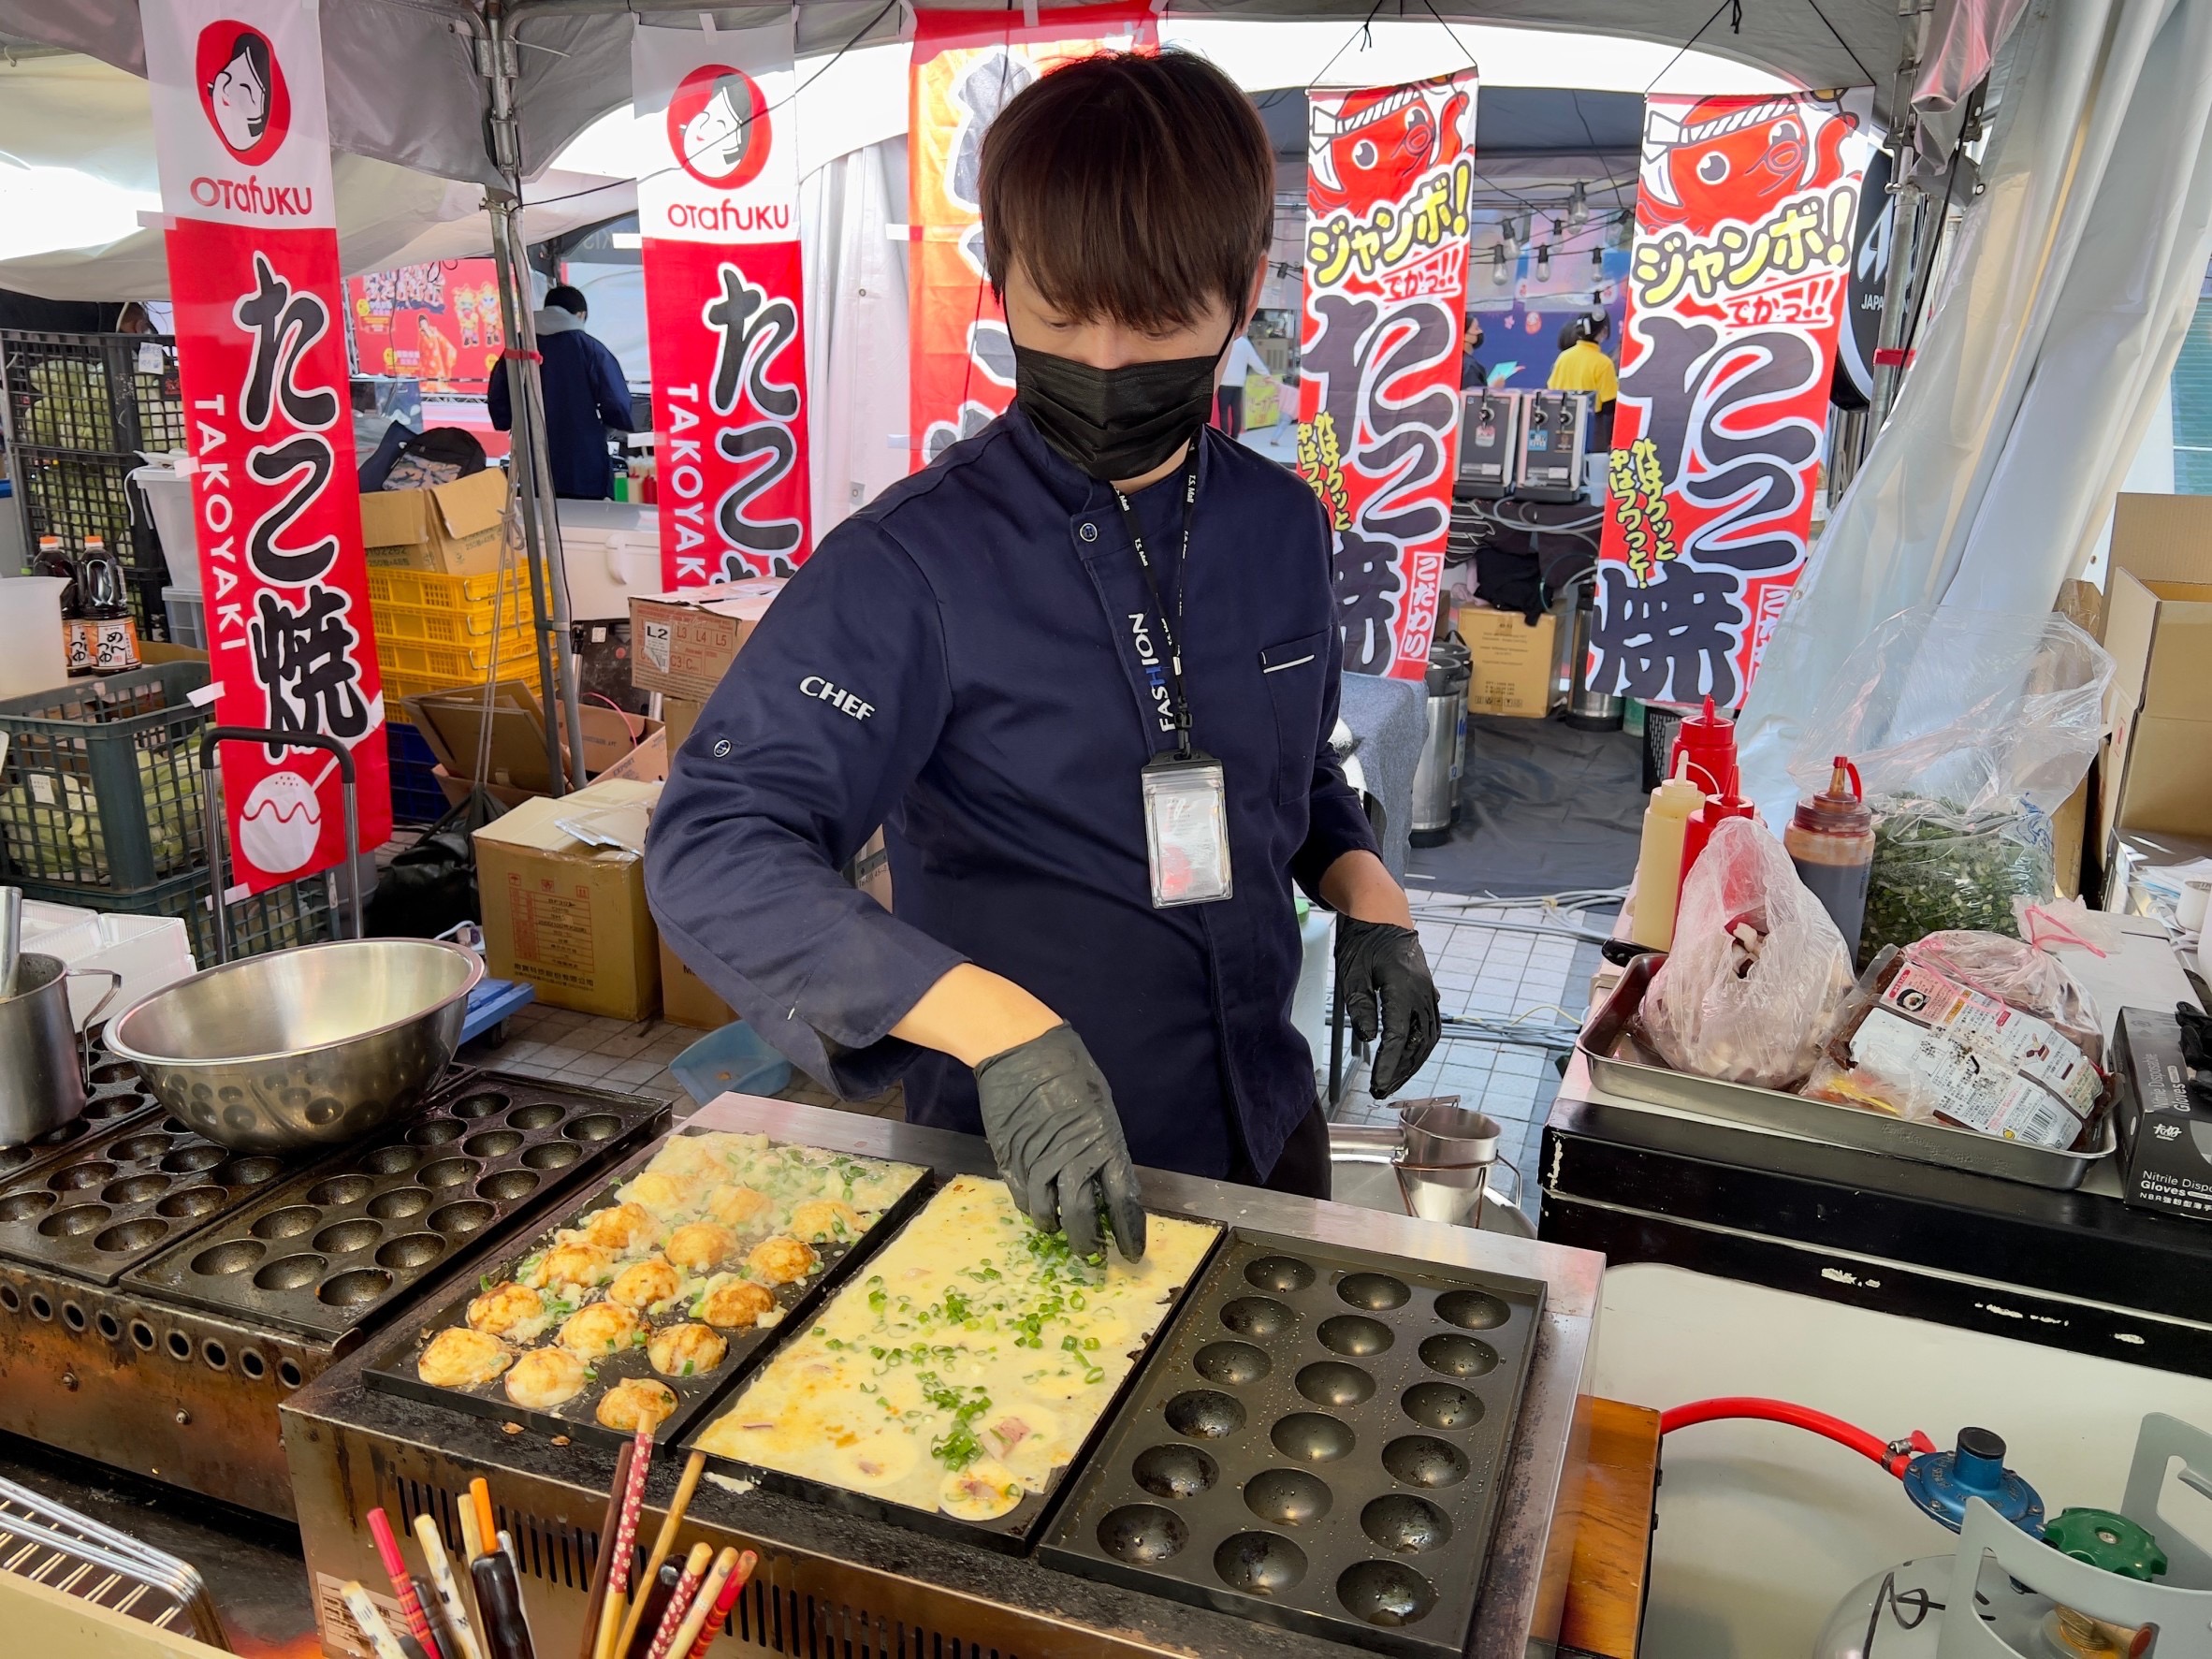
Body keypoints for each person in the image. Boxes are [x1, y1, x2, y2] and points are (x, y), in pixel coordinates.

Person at [645, 51, 1441, 1260]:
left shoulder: (1281, 527)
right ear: (1000, 280)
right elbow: (716, 844)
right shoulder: (909, 566)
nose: (1110, 361)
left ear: (1249, 287)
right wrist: (993, 1023)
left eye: (1164, 317)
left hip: (1269, 1133)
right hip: (1027, 1170)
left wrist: (1367, 890)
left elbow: (1297, 777)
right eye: (1062, 314)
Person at [488, 284, 633, 500]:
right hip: (583, 462)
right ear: (580, 315)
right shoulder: (591, 349)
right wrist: (608, 427)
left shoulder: (518, 347)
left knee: (536, 521)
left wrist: (511, 421)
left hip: (531, 457)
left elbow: (499, 401)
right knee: (585, 524)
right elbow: (618, 403)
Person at [1549, 311, 1618, 447]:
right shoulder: (1604, 363)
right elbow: (1609, 404)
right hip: (1591, 428)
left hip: (1560, 422)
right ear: (1604, 331)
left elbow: (1551, 389)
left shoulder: (1563, 357)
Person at [1215, 327, 1269, 436]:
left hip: (1224, 383)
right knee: (1236, 411)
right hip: (1239, 382)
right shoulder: (1245, 343)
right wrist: (1266, 374)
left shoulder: (1223, 342)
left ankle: (1224, 435)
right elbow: (1255, 360)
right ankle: (1235, 437)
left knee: (1224, 411)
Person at [1461, 315, 1490, 390]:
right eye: (1476, 328)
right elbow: (1473, 398)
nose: (1480, 331)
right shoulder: (1469, 367)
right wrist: (1495, 389)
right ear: (1464, 336)